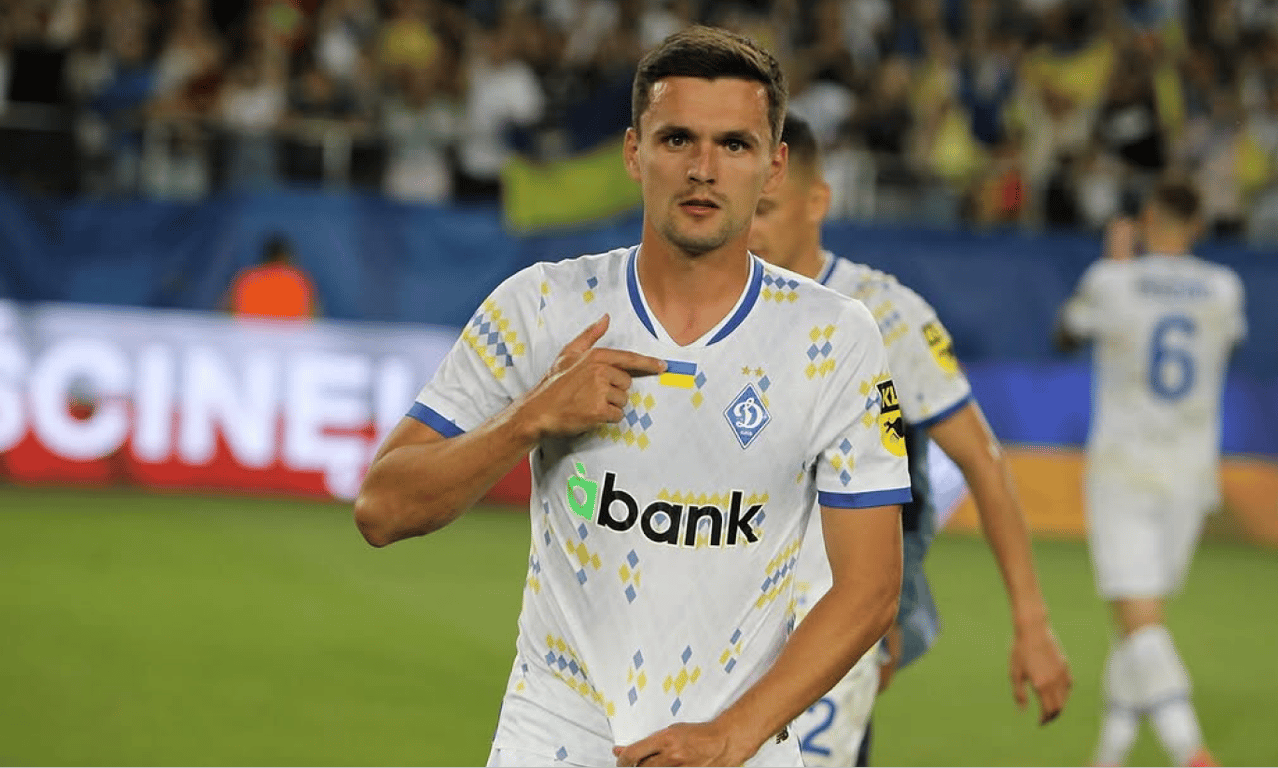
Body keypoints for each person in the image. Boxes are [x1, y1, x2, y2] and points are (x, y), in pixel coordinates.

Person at [354, 26, 913, 768]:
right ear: (633, 151)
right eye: (677, 139)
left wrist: (733, 734)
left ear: (774, 166)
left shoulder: (834, 337)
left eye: (734, 145)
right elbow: (382, 509)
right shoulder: (542, 306)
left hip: (737, 751)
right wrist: (532, 417)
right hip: (552, 742)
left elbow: (871, 589)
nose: (703, 170)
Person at [748, 115, 1074, 768]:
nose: (747, 229)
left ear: (817, 202)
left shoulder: (884, 314)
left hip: (832, 618)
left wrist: (1031, 623)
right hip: (721, 612)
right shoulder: (709, 306)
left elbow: (982, 462)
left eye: (765, 210)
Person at [1053, 180, 1245, 768]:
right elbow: (1230, 349)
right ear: (1197, 226)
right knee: (1140, 617)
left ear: (1145, 220)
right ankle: (1110, 753)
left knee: (1139, 623)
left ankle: (1190, 751)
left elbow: (1064, 336)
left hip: (1124, 467)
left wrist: (1118, 267)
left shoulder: (1112, 281)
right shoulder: (1224, 287)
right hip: (1191, 471)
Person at [224, 234, 320, 319]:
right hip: (290, 332)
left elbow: (227, 312)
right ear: (285, 256)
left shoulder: (246, 279)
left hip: (249, 332)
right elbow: (314, 315)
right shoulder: (300, 281)